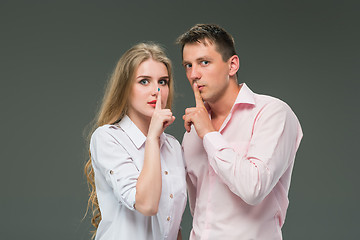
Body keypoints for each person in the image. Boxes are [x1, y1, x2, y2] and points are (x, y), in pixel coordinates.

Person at [177, 24, 303, 239]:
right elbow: (197, 207)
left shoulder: (272, 113)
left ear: (232, 65)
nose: (194, 74)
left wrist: (209, 134)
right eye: (188, 65)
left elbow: (253, 188)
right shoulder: (192, 132)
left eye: (204, 62)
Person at [84, 43, 187, 240]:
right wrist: (152, 139)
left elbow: (172, 225)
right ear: (125, 88)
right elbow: (147, 205)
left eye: (163, 82)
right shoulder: (108, 137)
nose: (156, 91)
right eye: (144, 81)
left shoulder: (173, 146)